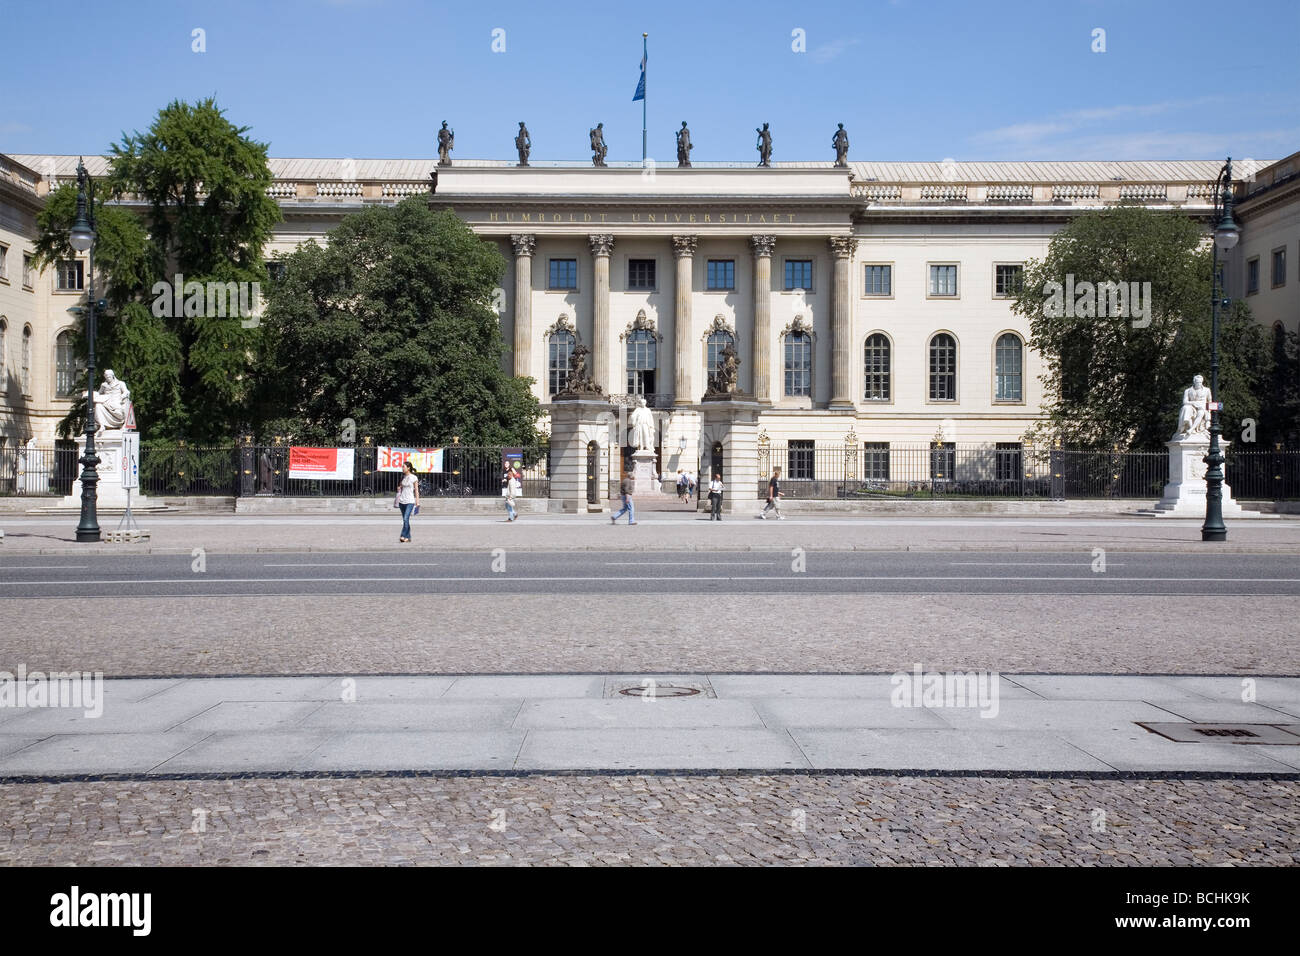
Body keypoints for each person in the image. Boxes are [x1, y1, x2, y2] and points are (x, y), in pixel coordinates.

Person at [395, 460, 420, 542]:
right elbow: (400, 486)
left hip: (410, 501)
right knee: (405, 520)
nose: (402, 468)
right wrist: (399, 488)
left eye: (403, 467)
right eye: (402, 467)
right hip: (402, 501)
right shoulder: (403, 477)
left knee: (406, 519)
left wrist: (417, 501)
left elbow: (416, 490)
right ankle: (408, 537)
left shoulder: (414, 477)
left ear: (408, 468)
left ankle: (403, 535)